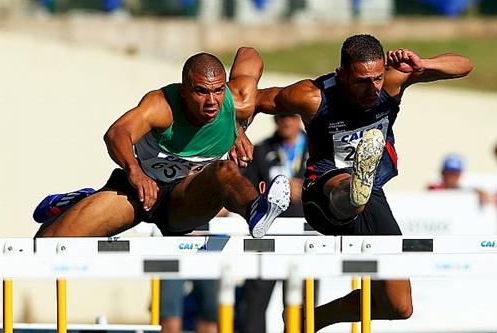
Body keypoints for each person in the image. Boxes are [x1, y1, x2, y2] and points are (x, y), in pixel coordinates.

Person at [255, 34, 473, 331]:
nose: (372, 89)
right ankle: (357, 186)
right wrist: (238, 132)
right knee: (348, 187)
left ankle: (311, 320)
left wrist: (422, 65)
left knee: (398, 305)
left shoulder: (394, 81)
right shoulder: (312, 95)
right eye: (361, 81)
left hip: (373, 195)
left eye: (377, 78)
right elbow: (251, 100)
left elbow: (464, 65)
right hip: (324, 193)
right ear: (342, 74)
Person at [34, 47, 290, 239]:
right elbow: (117, 133)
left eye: (218, 90)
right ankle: (82, 200)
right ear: (183, 90)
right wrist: (135, 172)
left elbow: (249, 53)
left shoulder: (238, 103)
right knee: (48, 242)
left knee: (224, 171)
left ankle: (256, 208)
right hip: (140, 190)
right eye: (201, 91)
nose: (212, 101)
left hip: (184, 198)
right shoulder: (161, 106)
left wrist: (236, 128)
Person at [239, 114, 309, 333]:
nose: (286, 122)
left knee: (301, 308)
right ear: (275, 119)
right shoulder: (261, 150)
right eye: (282, 117)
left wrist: (306, 189)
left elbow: (335, 184)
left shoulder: (318, 147)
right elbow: (246, 191)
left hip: (305, 240)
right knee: (254, 304)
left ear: (300, 119)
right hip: (268, 238)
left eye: (292, 116)